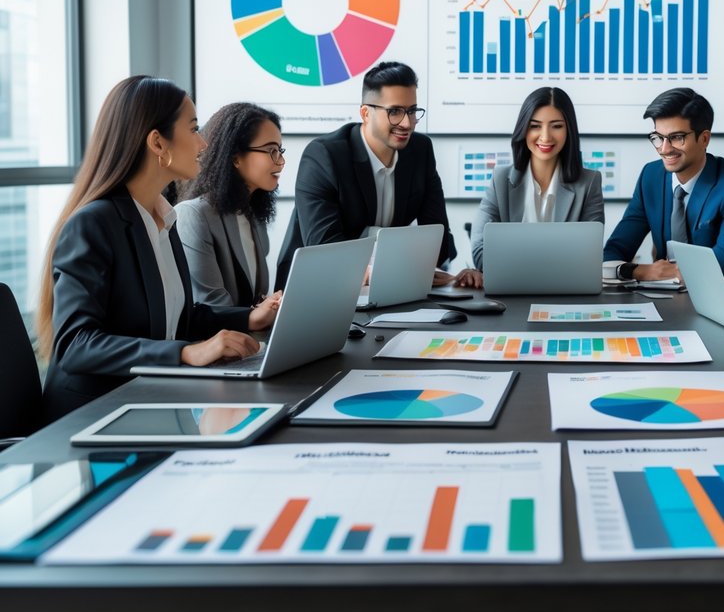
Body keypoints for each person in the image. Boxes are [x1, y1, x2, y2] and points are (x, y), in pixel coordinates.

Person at [37, 76, 278, 421]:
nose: (204, 143)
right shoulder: (94, 223)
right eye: (194, 129)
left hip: (150, 399)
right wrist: (185, 353)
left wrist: (249, 317)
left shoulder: (163, 217)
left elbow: (178, 317)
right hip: (94, 415)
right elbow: (76, 345)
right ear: (158, 143)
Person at [274, 61, 467, 289]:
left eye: (412, 111)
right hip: (318, 287)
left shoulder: (420, 151)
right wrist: (399, 265)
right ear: (366, 114)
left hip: (389, 287)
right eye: (394, 111)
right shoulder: (325, 155)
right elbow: (324, 250)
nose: (406, 123)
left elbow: (439, 240)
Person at [604, 88, 724, 280]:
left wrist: (671, 272)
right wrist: (640, 271)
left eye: (677, 137)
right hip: (659, 296)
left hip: (715, 298)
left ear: (704, 139)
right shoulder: (650, 176)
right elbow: (615, 250)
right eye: (658, 138)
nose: (664, 148)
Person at [467, 87, 605, 278]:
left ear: (569, 130)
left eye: (556, 126)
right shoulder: (500, 180)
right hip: (512, 292)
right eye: (535, 126)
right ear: (523, 129)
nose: (546, 136)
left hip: (565, 293)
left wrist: (515, 260)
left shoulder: (589, 183)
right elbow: (480, 253)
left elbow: (590, 255)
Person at [176, 102, 284, 307]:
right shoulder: (193, 215)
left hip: (250, 336)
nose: (280, 161)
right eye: (271, 151)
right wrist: (256, 315)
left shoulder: (253, 214)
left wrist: (271, 305)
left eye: (279, 150)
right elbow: (210, 304)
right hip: (215, 338)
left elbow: (255, 299)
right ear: (235, 158)